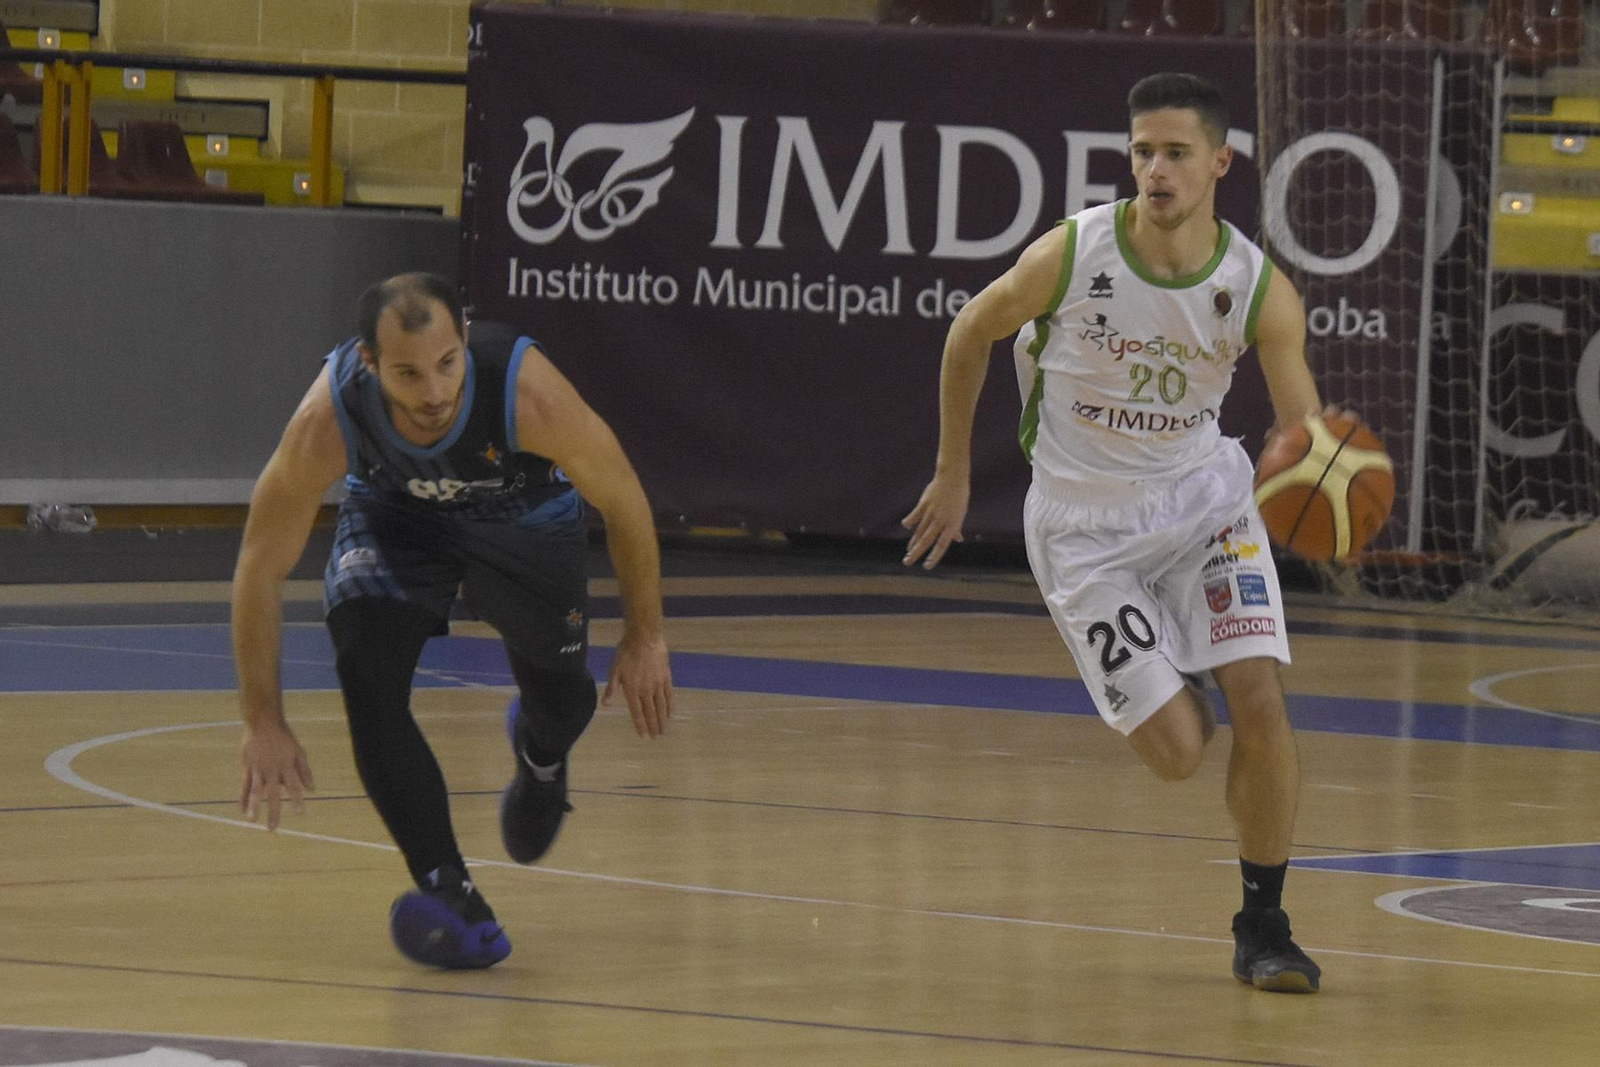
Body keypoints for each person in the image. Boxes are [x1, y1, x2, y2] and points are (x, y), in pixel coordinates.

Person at [902, 73, 1323, 993]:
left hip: (1203, 503)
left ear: (1221, 162)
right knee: (1178, 752)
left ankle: (1265, 924)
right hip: (1083, 526)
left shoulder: (1258, 288)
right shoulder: (1073, 253)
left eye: (1176, 153)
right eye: (1142, 152)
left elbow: (1304, 434)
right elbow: (970, 332)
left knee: (1260, 694)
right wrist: (953, 472)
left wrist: (1327, 481)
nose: (1155, 170)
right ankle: (1176, 677)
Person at [231, 272, 673, 970]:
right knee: (366, 672)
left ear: (465, 340)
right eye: (408, 373)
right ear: (369, 363)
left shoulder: (529, 394)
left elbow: (623, 499)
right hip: (396, 518)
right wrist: (263, 718)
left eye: (447, 363)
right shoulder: (329, 417)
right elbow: (260, 565)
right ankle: (449, 886)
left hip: (523, 519)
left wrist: (644, 635)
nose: (435, 392)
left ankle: (541, 754)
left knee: (564, 700)